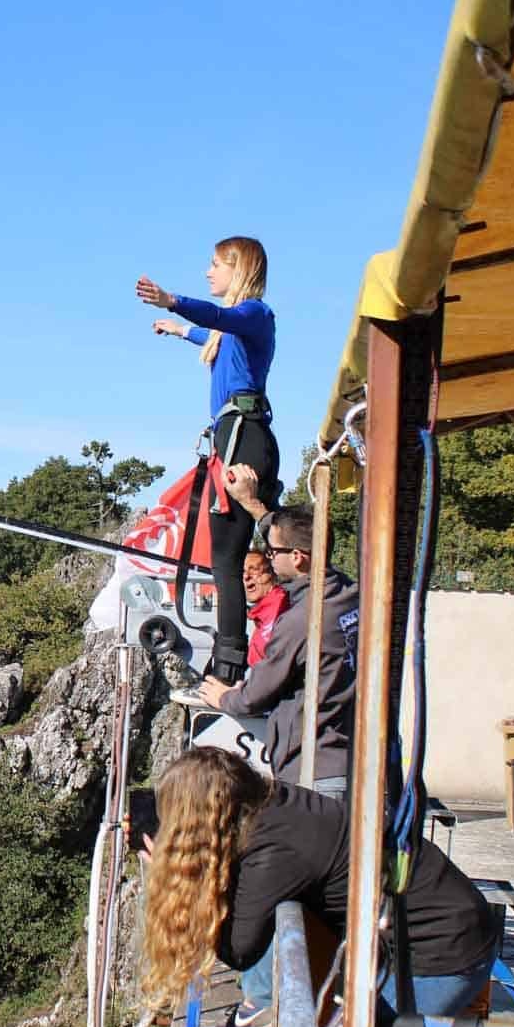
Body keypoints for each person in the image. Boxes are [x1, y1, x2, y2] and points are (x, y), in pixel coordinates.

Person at [139, 747, 497, 1027]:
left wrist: (181, 878)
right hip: (444, 924)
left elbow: (239, 950)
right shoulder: (274, 805)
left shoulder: (274, 850)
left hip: (442, 949)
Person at [137, 238, 280, 684]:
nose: (208, 272)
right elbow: (213, 336)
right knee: (225, 561)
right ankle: (230, 660)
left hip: (244, 437)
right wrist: (179, 330)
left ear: (239, 268)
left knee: (229, 559)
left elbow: (220, 320)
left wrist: (173, 301)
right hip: (233, 435)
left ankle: (230, 668)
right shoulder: (233, 331)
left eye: (216, 264)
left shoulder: (255, 313)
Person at [187, 487, 358, 796]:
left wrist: (224, 697)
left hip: (313, 772)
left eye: (272, 552)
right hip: (352, 763)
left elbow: (253, 697)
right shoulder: (349, 595)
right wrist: (252, 503)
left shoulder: (301, 620)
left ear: (298, 557)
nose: (270, 557)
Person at [240, 548, 287, 666]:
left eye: (254, 570)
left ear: (271, 574)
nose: (246, 576)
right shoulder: (263, 613)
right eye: (242, 572)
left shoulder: (278, 608)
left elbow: (270, 666)